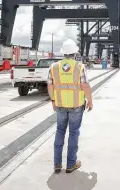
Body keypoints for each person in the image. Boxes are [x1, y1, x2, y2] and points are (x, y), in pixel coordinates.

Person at [47, 38, 93, 174]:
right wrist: (90, 101)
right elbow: (85, 85)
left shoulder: (54, 67)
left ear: (63, 53)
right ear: (75, 53)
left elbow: (50, 85)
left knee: (60, 132)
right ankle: (71, 165)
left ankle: (57, 164)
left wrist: (53, 100)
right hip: (76, 106)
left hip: (60, 105)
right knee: (73, 134)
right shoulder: (79, 67)